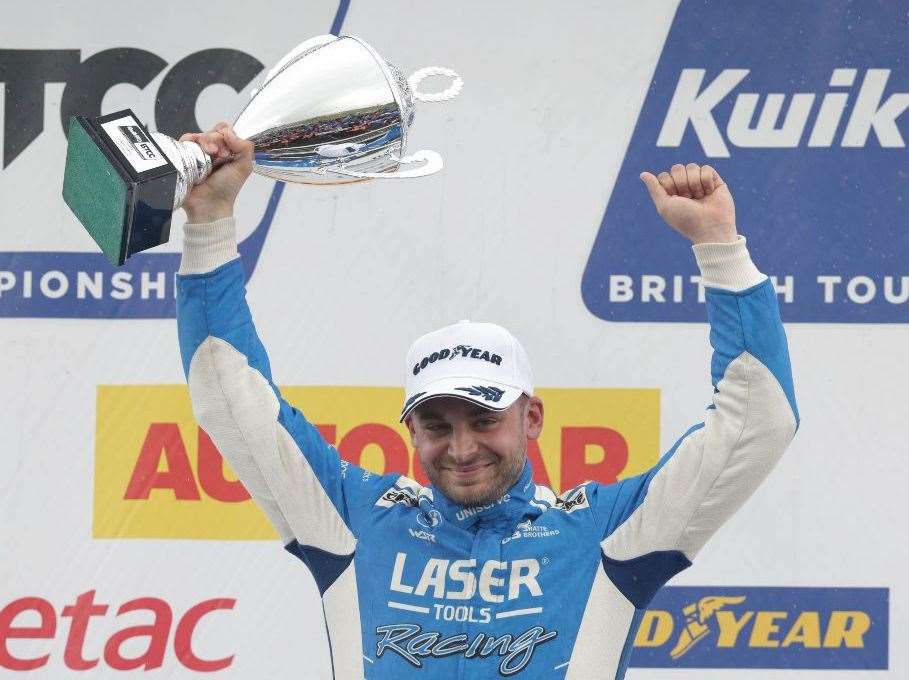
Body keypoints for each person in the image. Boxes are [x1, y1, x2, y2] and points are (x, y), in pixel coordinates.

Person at [176, 122, 798, 679]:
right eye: (437, 425)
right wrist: (209, 225)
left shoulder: (606, 533)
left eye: (484, 418)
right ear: (411, 432)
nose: (462, 447)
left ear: (531, 418)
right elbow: (231, 397)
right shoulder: (355, 520)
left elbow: (758, 423)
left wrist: (720, 246)